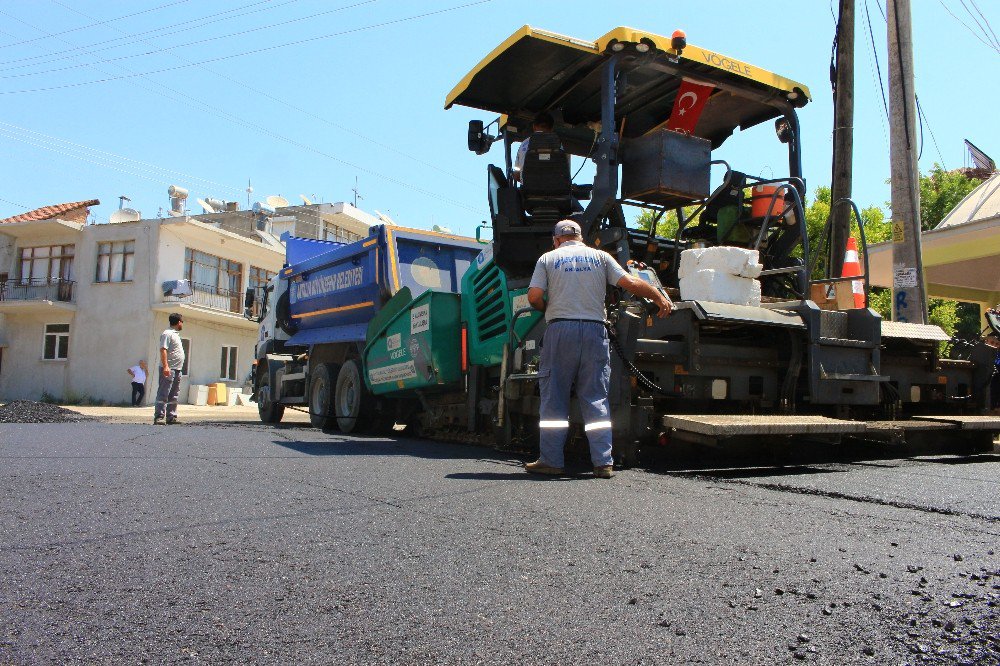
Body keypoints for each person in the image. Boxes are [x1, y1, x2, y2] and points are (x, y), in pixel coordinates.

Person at [524, 219, 673, 479]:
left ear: (556, 239)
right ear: (580, 237)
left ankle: (551, 461)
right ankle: (603, 463)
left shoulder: (547, 259)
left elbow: (534, 296)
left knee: (554, 397)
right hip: (595, 331)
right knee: (595, 397)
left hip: (561, 331)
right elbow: (630, 282)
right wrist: (658, 297)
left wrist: (546, 309)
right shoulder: (600, 257)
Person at [154, 313, 185, 425]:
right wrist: (166, 366)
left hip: (177, 369)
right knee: (163, 393)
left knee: (174, 394)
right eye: (182, 322)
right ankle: (159, 417)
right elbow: (163, 350)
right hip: (169, 369)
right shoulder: (167, 334)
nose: (182, 324)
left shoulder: (175, 334)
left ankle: (171, 417)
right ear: (179, 322)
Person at [512, 111, 557, 182]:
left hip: (529, 189)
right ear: (552, 129)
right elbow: (563, 170)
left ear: (534, 126)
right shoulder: (557, 144)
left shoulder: (523, 145)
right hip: (553, 189)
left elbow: (517, 175)